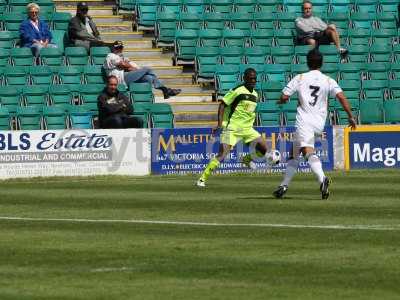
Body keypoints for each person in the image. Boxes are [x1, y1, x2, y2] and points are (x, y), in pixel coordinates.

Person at [273, 49, 356, 200]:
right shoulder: (328, 80)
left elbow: (285, 96)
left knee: (307, 151)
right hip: (319, 122)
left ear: (307, 62)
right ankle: (283, 185)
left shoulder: (300, 77)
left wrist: (282, 101)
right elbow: (342, 98)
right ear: (322, 63)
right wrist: (350, 116)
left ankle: (322, 179)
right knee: (294, 152)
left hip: (304, 120)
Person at [197, 68, 278, 188]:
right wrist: (219, 124)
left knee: (265, 150)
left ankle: (246, 159)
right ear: (244, 78)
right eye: (250, 78)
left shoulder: (255, 94)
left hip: (247, 128)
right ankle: (202, 179)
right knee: (222, 154)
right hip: (232, 127)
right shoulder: (237, 90)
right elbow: (223, 104)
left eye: (255, 78)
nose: (253, 80)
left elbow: (249, 112)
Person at [104, 41, 181, 99]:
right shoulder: (110, 56)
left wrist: (128, 66)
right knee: (147, 69)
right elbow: (124, 64)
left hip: (126, 77)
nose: (119, 49)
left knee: (149, 78)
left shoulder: (122, 57)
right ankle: (164, 89)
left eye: (120, 48)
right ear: (113, 48)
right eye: (117, 48)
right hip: (118, 79)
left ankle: (147, 98)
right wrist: (127, 66)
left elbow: (133, 67)